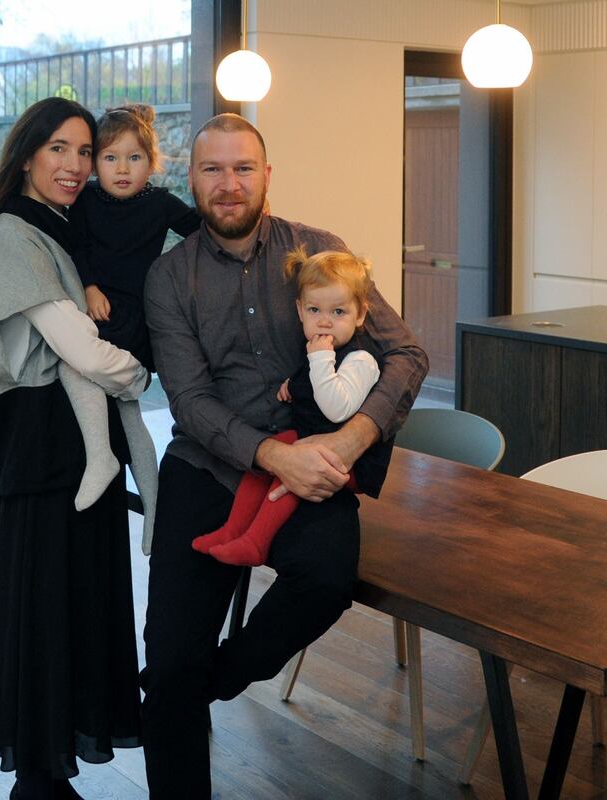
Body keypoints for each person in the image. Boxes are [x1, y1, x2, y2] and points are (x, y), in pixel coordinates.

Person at [142, 113, 429, 799]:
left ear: (267, 176)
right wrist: (273, 456)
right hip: (211, 466)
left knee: (326, 582)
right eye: (213, 170)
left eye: (243, 168)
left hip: (318, 465)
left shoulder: (321, 250)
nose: (229, 184)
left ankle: (214, 681)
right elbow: (188, 400)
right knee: (170, 654)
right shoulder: (169, 277)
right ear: (193, 179)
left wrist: (351, 437)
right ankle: (181, 690)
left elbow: (407, 353)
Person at [0, 97, 147, 800]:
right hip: (43, 451)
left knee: (77, 606)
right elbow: (76, 347)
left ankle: (50, 774)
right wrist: (136, 372)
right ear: (27, 155)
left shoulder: (60, 228)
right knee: (44, 611)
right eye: (60, 151)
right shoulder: (14, 235)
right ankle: (39, 781)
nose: (76, 166)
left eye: (84, 151)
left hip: (76, 449)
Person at [193, 246, 390, 567]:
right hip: (311, 439)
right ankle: (233, 530)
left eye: (339, 312)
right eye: (315, 310)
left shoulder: (361, 358)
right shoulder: (320, 349)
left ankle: (256, 542)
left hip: (351, 462)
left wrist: (320, 358)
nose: (325, 322)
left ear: (361, 314)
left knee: (296, 469)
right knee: (267, 457)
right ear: (300, 311)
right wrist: (294, 384)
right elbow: (313, 378)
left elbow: (336, 408)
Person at [63, 103, 201, 552]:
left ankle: (149, 505)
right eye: (110, 158)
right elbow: (76, 245)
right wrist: (87, 286)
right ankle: (116, 471)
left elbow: (201, 231)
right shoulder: (85, 201)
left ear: (151, 162)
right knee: (112, 402)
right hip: (98, 311)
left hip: (135, 322)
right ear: (95, 164)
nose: (122, 169)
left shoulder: (159, 203)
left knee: (123, 410)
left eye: (134, 158)